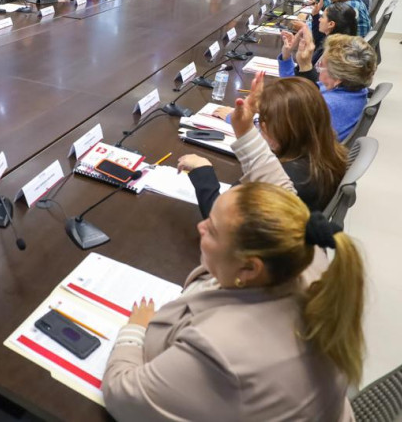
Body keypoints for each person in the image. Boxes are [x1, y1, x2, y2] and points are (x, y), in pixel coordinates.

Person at [102, 101, 364, 420]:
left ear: (249, 268)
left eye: (212, 230)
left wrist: (134, 331)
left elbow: (122, 395)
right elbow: (280, 189)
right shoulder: (304, 250)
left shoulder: (219, 351)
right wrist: (245, 132)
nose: (200, 227)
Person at [194, 71, 349, 211]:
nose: (261, 129)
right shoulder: (325, 152)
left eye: (262, 123)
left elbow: (220, 216)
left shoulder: (288, 180)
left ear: (278, 130)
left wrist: (202, 170)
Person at [279, 32, 376, 142]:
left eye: (321, 66)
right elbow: (292, 91)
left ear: (337, 78)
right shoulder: (351, 87)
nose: (318, 69)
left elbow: (286, 133)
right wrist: (286, 57)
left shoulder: (328, 105)